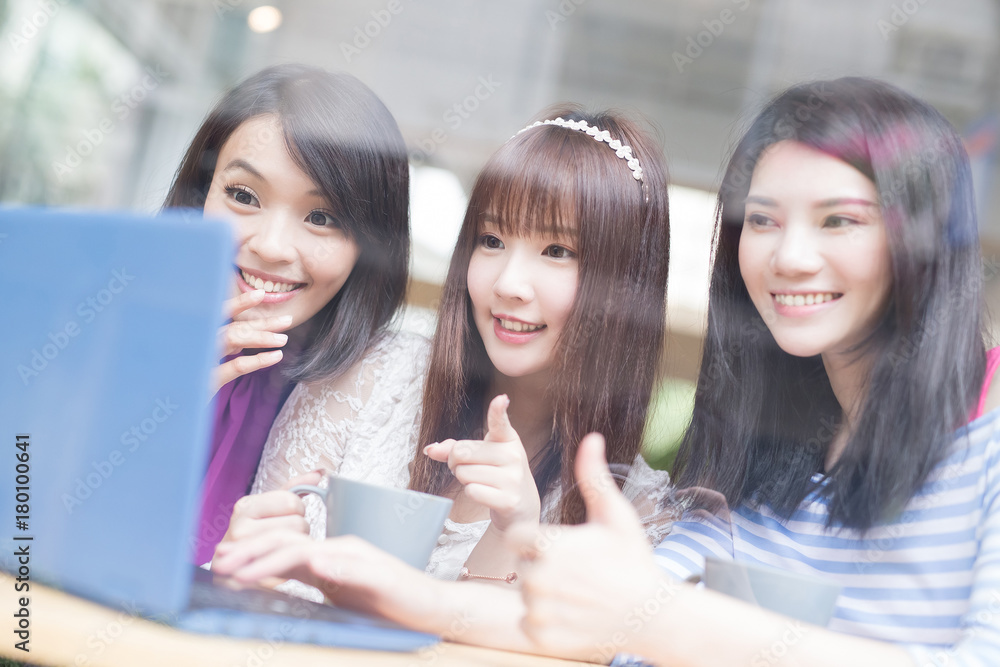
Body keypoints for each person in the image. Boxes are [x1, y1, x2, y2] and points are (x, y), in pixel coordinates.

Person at [510, 77, 1000, 666]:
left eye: (838, 221)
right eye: (763, 221)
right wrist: (423, 598)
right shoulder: (775, 435)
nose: (789, 258)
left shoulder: (986, 428)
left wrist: (657, 618)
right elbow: (629, 627)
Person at [212, 106, 676, 606]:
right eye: (492, 240)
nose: (508, 284)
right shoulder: (368, 375)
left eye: (558, 250)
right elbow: (246, 593)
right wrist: (243, 569)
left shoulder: (634, 511)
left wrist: (511, 532)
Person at [162, 63, 413, 565]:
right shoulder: (108, 331)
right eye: (243, 196)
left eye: (321, 218)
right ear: (200, 195)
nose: (273, 247)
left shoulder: (371, 396)